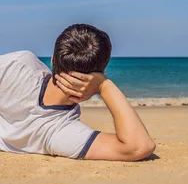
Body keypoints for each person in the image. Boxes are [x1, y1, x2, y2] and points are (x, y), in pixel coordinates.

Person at [0, 24, 155, 161]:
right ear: (100, 72)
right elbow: (138, 147)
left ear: (54, 59)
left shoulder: (19, 64)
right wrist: (104, 86)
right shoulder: (60, 132)